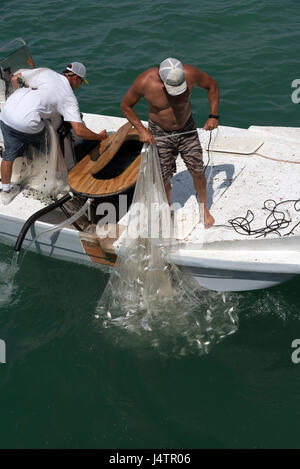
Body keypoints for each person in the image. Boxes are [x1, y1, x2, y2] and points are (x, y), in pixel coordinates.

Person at [121, 57, 219, 227]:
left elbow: (212, 86)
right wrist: (142, 130)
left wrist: (213, 116)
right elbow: (126, 106)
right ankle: (168, 208)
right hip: (160, 133)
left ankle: (204, 208)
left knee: (197, 170)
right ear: (161, 80)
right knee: (163, 176)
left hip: (186, 129)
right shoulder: (144, 82)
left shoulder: (190, 73)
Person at [0, 62, 108, 205]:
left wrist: (23, 98)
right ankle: (60, 180)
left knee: (9, 154)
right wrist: (99, 137)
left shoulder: (46, 72)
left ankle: (6, 191)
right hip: (27, 123)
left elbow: (15, 78)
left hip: (7, 114)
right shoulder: (68, 97)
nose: (79, 85)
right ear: (75, 78)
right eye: (81, 81)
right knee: (53, 147)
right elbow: (79, 130)